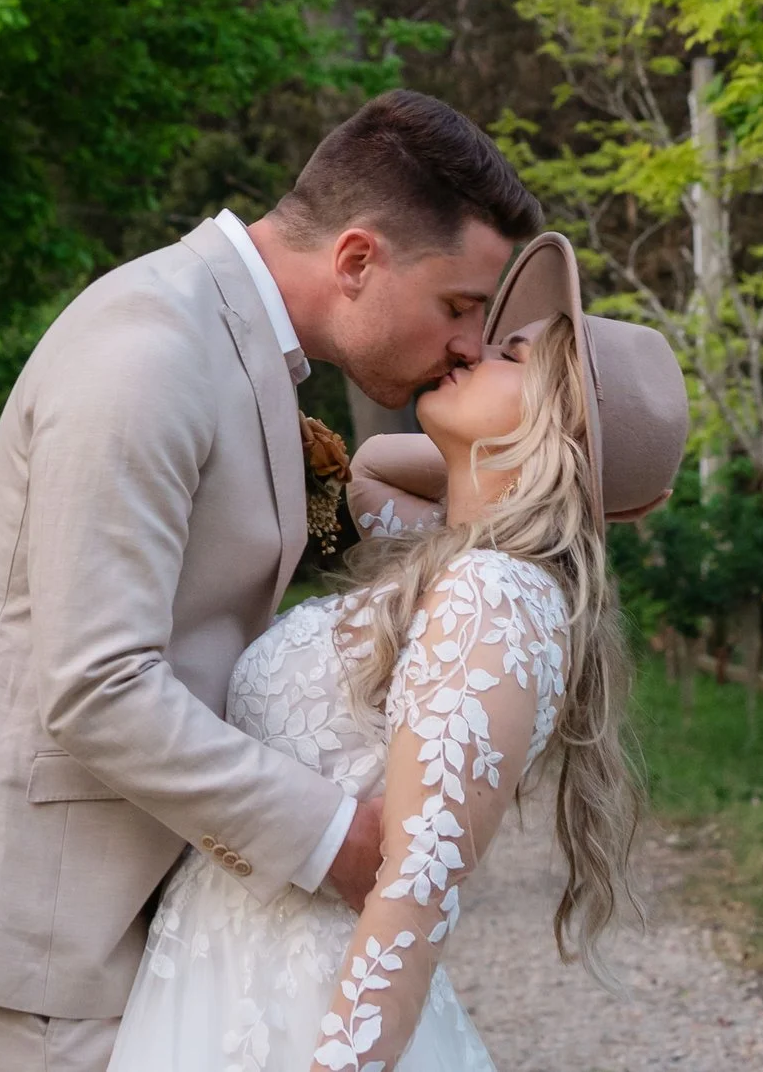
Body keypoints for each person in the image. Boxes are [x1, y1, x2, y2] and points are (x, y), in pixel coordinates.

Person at [0, 91, 543, 1071]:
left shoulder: (230, 343)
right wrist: (339, 840)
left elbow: (354, 503)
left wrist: (538, 485)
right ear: (358, 259)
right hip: (34, 920)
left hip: (106, 904)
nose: (466, 342)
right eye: (458, 306)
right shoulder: (148, 353)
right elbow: (97, 688)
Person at [103, 231, 689, 1072]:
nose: (474, 351)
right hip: (224, 980)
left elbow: (417, 893)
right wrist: (503, 468)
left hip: (303, 1015)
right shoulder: (452, 558)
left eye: (511, 356)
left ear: (557, 421)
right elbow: (373, 467)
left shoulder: (497, 596)